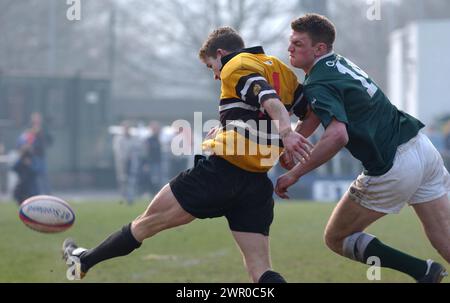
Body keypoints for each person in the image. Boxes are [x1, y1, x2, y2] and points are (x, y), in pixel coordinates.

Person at [61, 26, 313, 282]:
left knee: (145, 223)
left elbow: (269, 100)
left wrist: (287, 134)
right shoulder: (282, 70)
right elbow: (308, 111)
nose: (215, 75)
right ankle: (84, 258)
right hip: (257, 183)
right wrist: (280, 142)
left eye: (211, 66)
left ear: (220, 53)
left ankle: (83, 260)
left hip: (220, 173)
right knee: (260, 270)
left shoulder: (235, 65)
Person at [276, 14, 450, 283]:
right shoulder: (337, 63)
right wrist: (294, 143)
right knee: (445, 236)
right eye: (291, 43)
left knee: (336, 237)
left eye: (298, 43)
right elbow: (313, 113)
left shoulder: (318, 82)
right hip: (421, 147)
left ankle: (422, 271)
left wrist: (295, 173)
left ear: (319, 49)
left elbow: (336, 136)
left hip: (393, 164)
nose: (290, 49)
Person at [112, 121, 142, 205]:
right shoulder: (118, 139)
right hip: (122, 163)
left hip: (131, 163)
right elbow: (118, 151)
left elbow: (137, 149)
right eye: (125, 128)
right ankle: (122, 197)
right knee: (122, 180)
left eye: (128, 128)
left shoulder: (134, 138)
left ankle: (130, 198)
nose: (126, 130)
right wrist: (124, 158)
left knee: (131, 181)